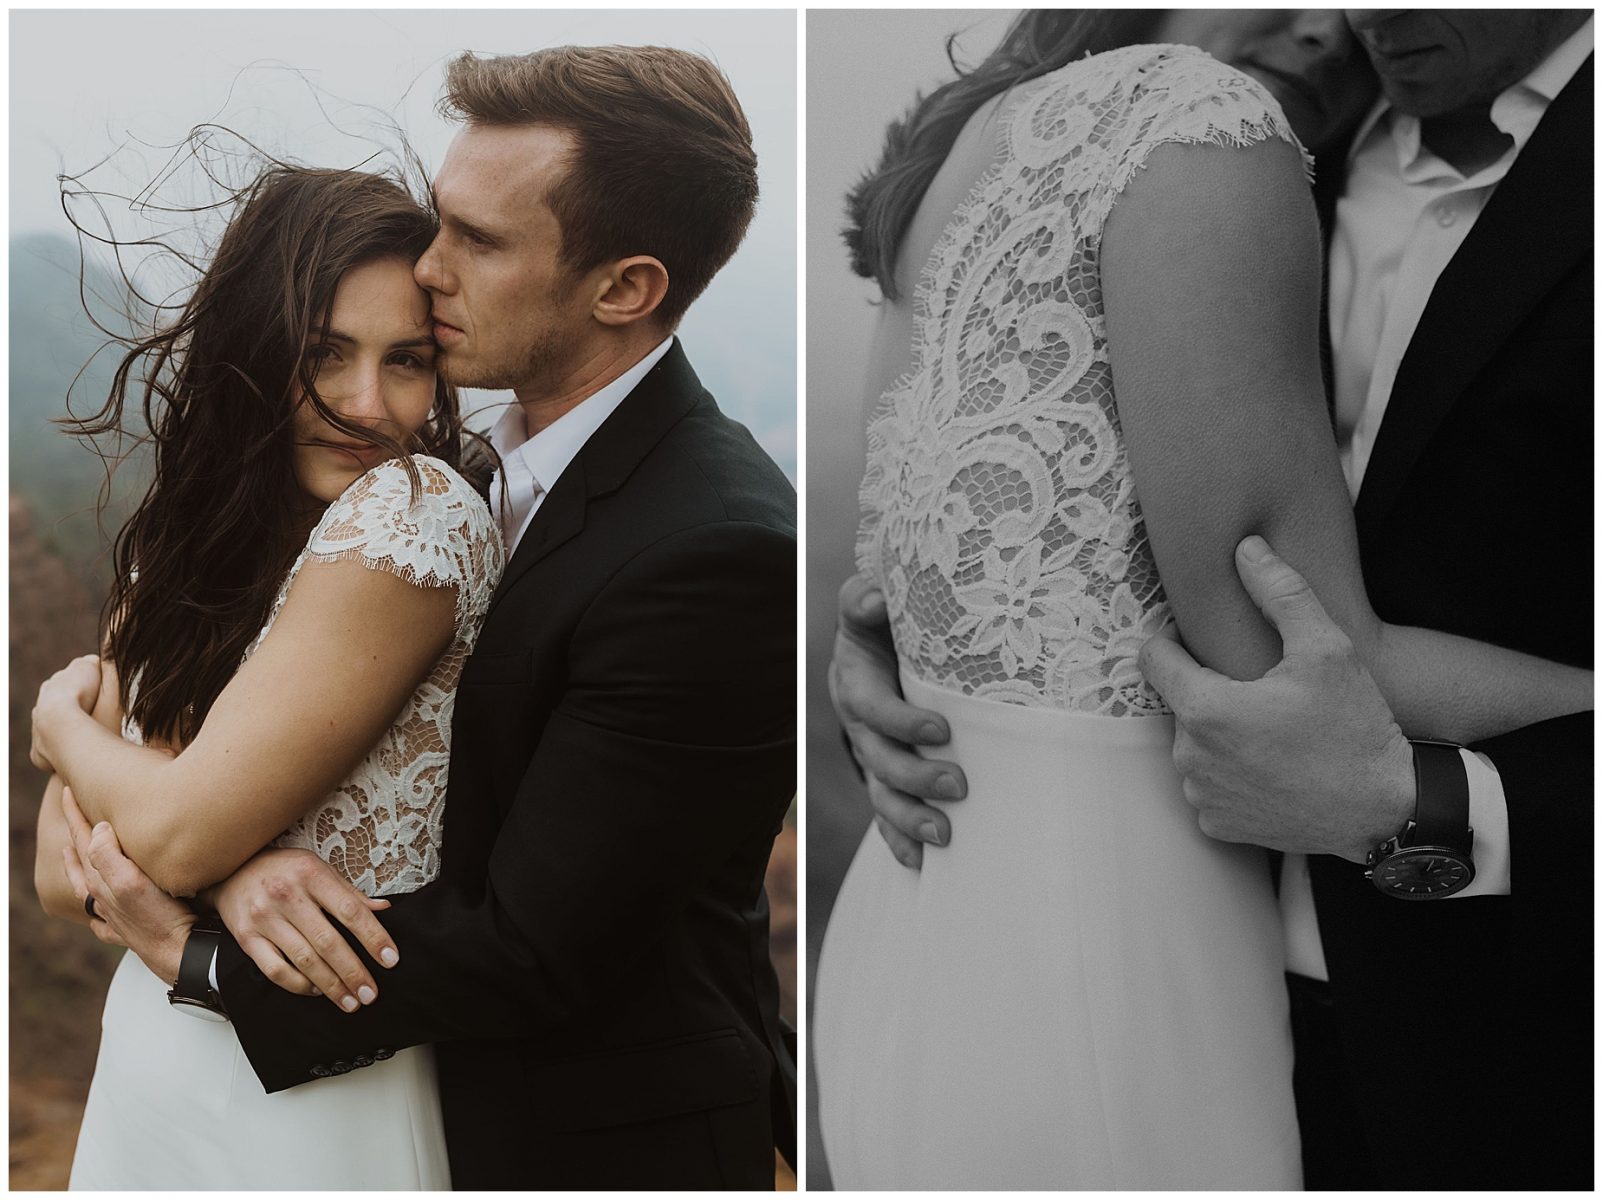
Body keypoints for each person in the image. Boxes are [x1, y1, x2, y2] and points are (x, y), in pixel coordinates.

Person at [813, 8, 1591, 1190]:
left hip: (1501, 1027)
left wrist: (925, 645)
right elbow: (1282, 654)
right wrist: (887, 647)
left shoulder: (998, 138)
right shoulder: (1213, 132)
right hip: (1114, 942)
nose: (1345, 15)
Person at [49, 46, 797, 1190]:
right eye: (441, 222)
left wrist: (194, 937)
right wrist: (226, 848)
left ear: (624, 288)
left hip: (577, 1144)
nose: (430, 268)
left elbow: (531, 950)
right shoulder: (452, 468)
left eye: (478, 241)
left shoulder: (716, 547)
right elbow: (102, 840)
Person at [31, 164, 502, 1188]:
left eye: (408, 361)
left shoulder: (414, 516)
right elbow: (60, 877)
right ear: (251, 350)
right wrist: (230, 870)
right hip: (155, 1059)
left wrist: (63, 728)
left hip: (312, 1087)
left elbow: (159, 831)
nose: (367, 404)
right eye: (323, 354)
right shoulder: (183, 550)